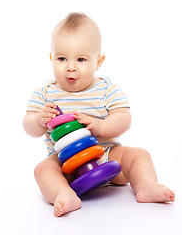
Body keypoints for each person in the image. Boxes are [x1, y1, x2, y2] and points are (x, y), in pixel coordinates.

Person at [23, 12, 175, 217]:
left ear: (99, 61)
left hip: (107, 155)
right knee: (43, 170)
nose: (70, 67)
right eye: (61, 58)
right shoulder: (45, 92)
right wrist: (39, 120)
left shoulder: (106, 89)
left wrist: (101, 127)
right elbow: (28, 125)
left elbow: (124, 117)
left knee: (139, 155)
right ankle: (64, 193)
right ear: (51, 58)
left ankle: (145, 184)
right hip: (65, 164)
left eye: (81, 59)